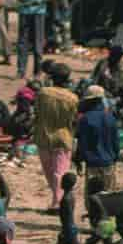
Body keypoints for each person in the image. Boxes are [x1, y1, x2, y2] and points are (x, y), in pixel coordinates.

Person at [35, 63, 78, 211]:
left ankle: (57, 201)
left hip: (43, 136)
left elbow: (37, 112)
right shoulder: (72, 98)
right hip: (63, 138)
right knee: (60, 172)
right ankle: (58, 201)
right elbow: (73, 119)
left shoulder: (43, 93)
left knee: (49, 172)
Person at [51, 172, 98, 244]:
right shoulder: (70, 196)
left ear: (66, 184)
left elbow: (66, 218)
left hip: (68, 231)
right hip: (70, 230)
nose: (60, 183)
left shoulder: (66, 199)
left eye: (63, 181)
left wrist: (64, 232)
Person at [16, 0, 55, 79]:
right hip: (25, 12)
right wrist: (23, 2)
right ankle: (21, 70)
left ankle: (37, 71)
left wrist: (40, 1)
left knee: (38, 42)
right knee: (22, 42)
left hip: (39, 12)